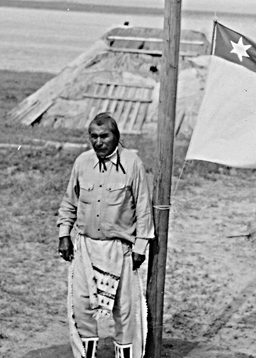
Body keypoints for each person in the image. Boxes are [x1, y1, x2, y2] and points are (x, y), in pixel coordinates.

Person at [58, 112, 154, 358]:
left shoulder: (132, 163)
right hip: (86, 247)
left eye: (104, 136)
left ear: (116, 137)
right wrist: (64, 234)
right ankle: (86, 355)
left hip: (119, 249)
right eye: (93, 137)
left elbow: (143, 209)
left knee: (124, 311)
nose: (98, 142)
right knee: (81, 306)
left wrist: (141, 247)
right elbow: (70, 201)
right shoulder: (82, 162)